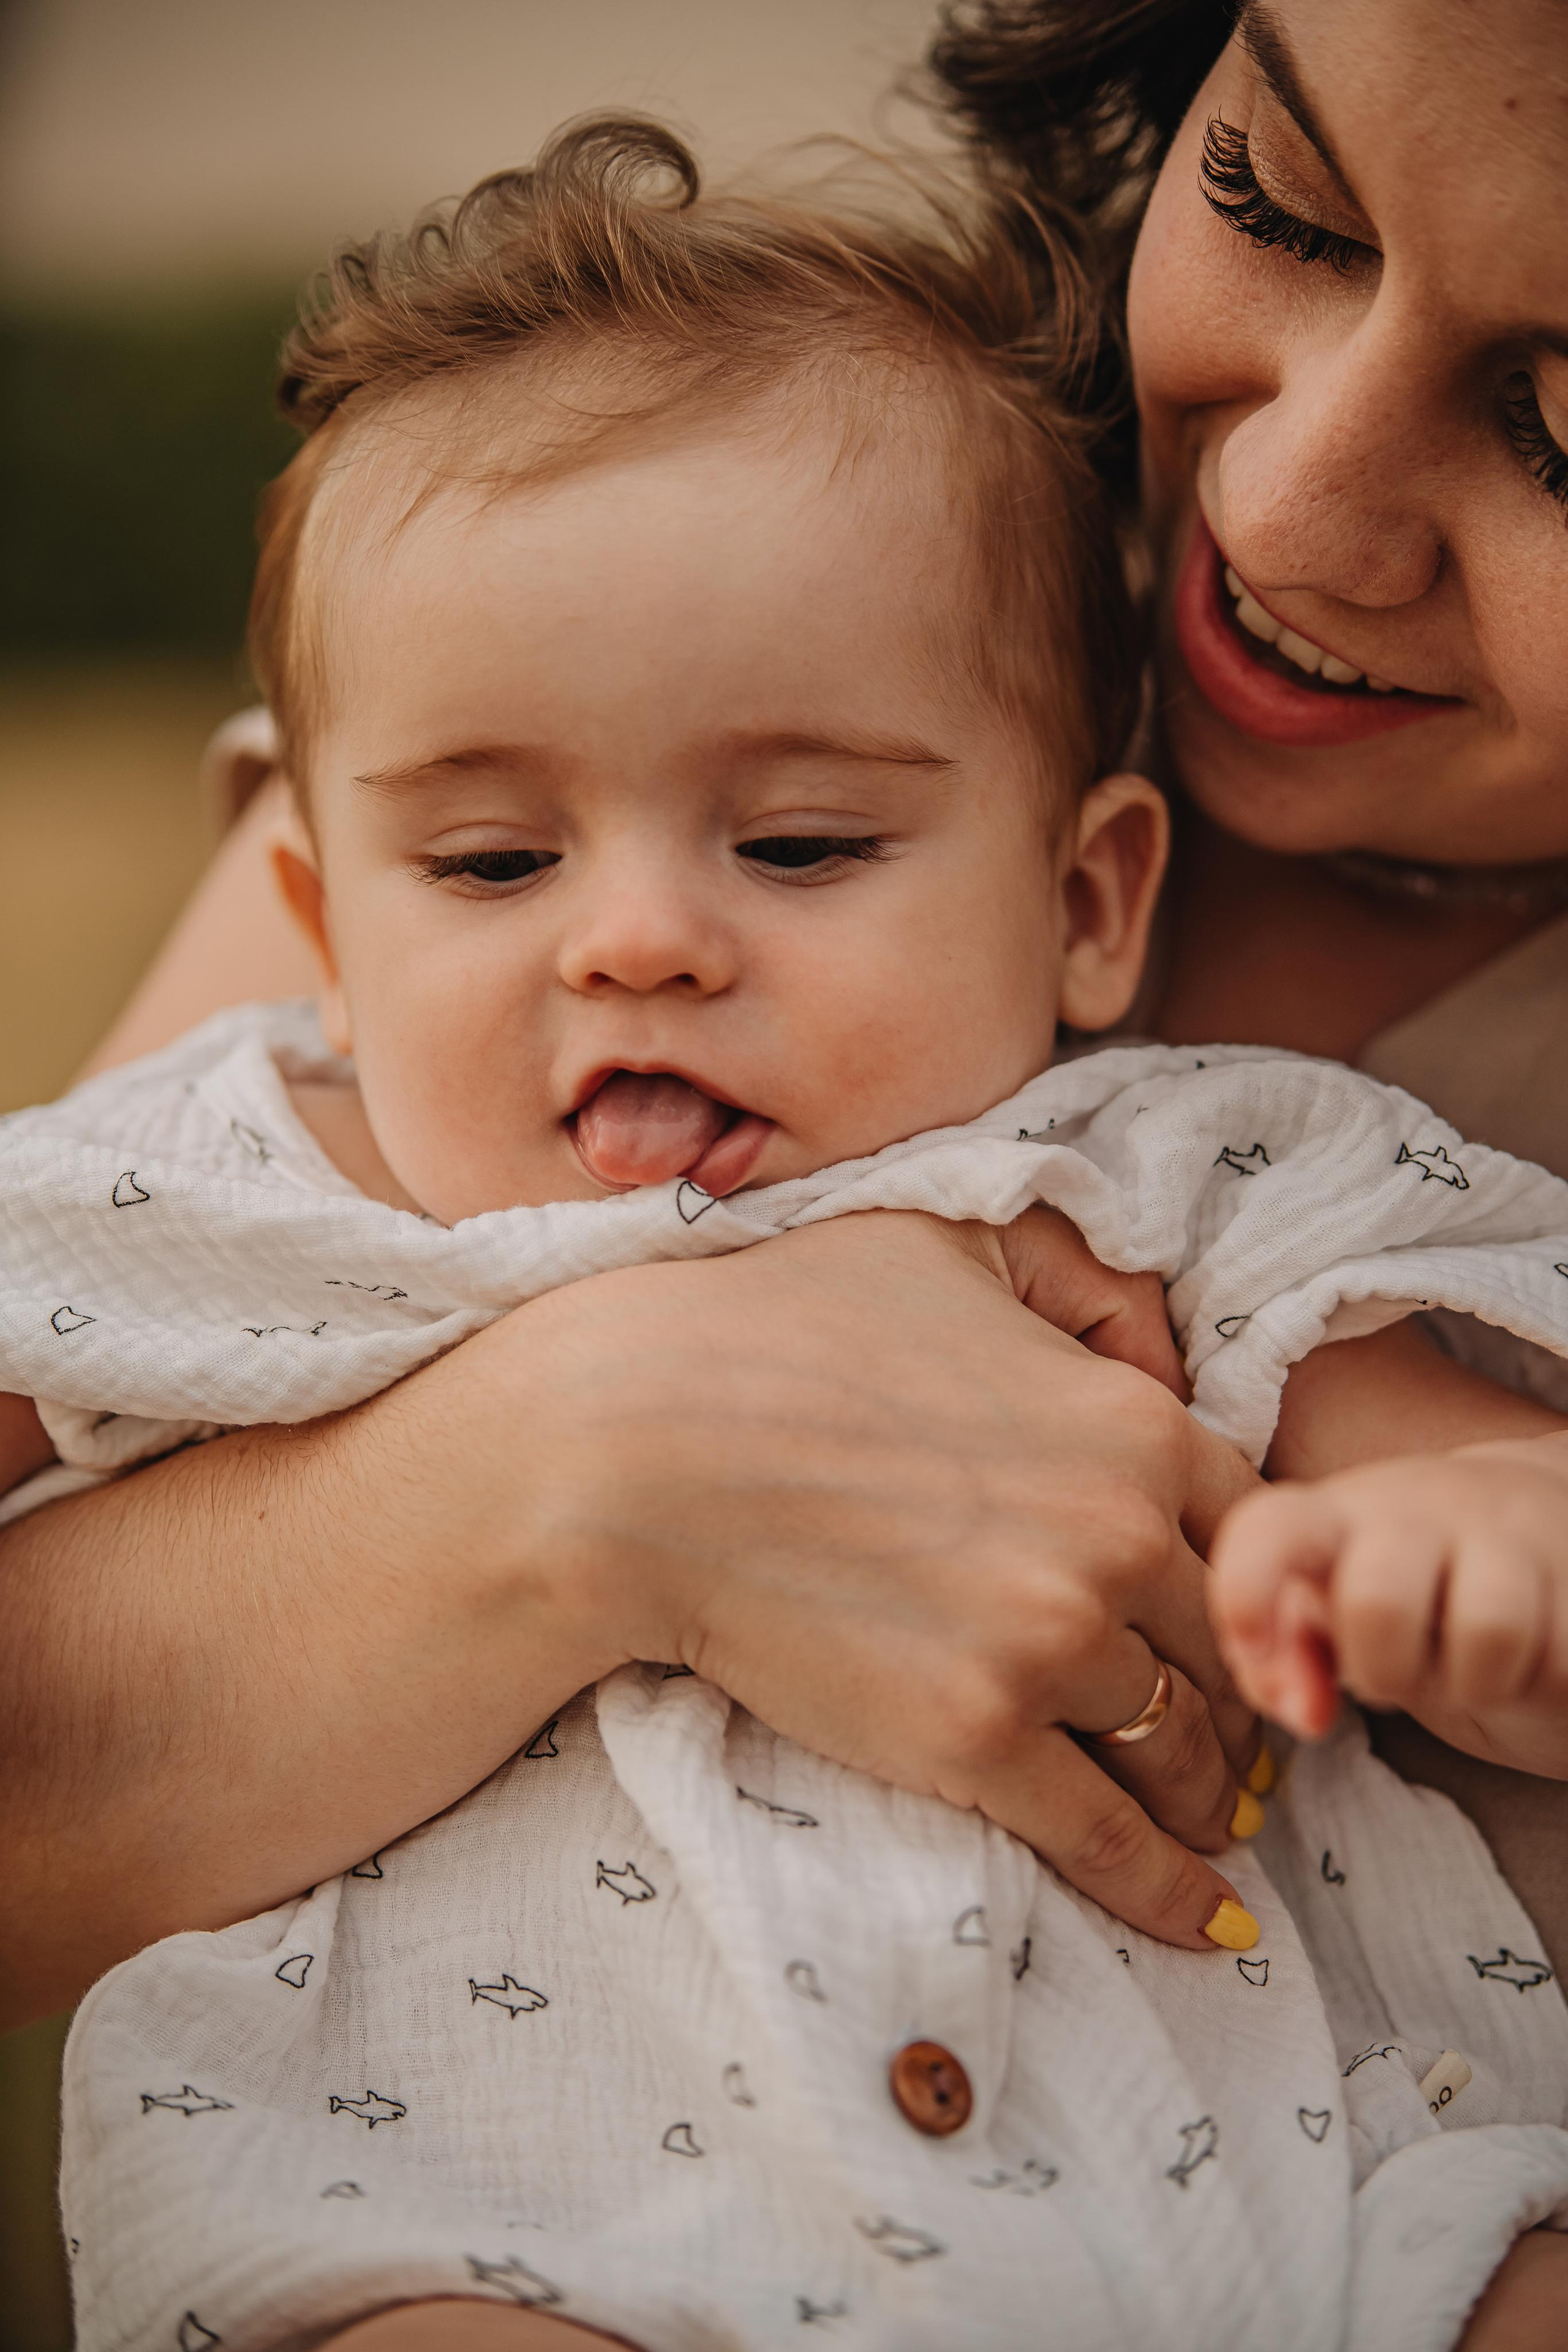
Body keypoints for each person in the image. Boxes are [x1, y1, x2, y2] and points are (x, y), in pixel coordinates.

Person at [4, 0, 1568, 2250]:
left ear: (1087, 897)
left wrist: (1479, 1549)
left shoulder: (1169, 1160)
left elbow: (1446, 1469)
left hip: (1223, 2233)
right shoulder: (287, 1127)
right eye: (1279, 203)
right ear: (325, 919)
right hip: (478, 2220)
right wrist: (596, 1460)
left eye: (1564, 428)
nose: (637, 940)